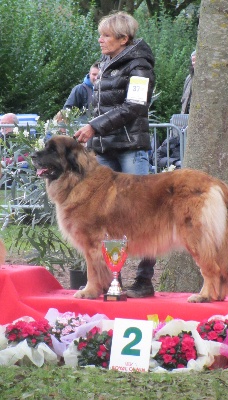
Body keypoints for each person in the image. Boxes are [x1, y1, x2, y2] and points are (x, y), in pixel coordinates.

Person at [74, 11, 156, 298]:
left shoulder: (139, 64)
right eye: (100, 34)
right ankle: (109, 282)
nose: (100, 39)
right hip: (104, 151)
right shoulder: (108, 63)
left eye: (106, 35)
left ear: (124, 38)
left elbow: (134, 106)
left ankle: (144, 280)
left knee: (145, 213)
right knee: (102, 221)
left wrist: (94, 127)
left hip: (130, 149)